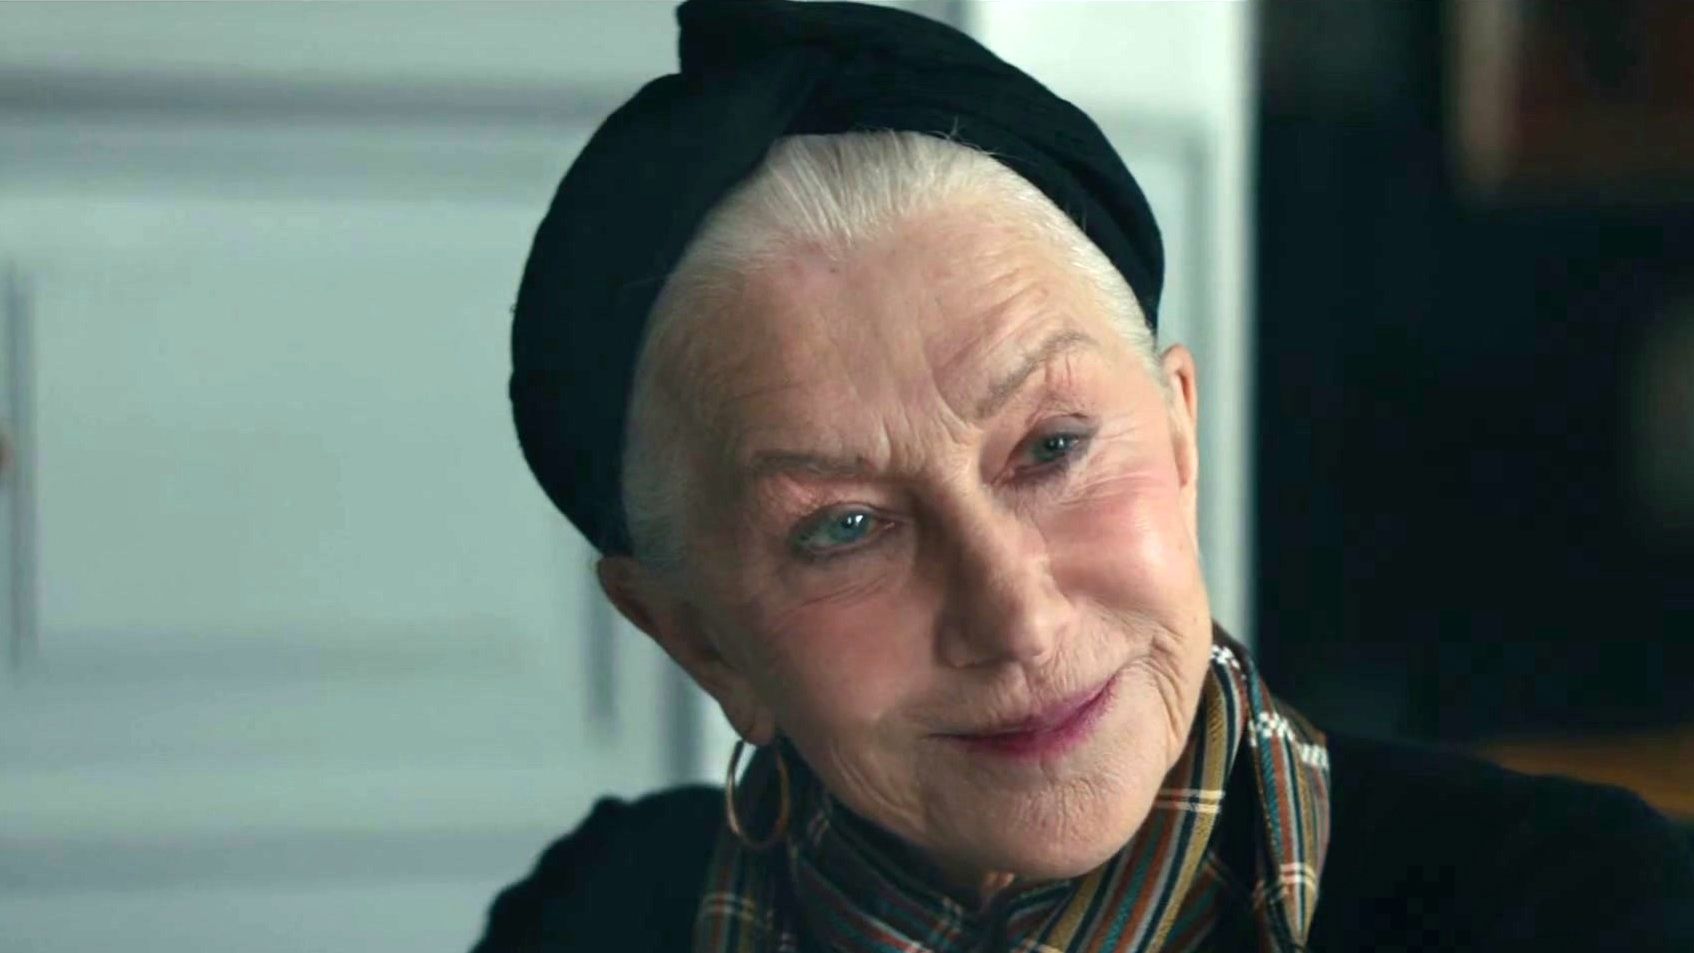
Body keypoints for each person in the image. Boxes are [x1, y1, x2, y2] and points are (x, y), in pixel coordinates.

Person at [478, 1, 1694, 950]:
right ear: (700, 640)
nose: (1014, 614)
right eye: (843, 525)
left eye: (1051, 447)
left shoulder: (1596, 911)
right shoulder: (592, 917)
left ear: (1177, 436)